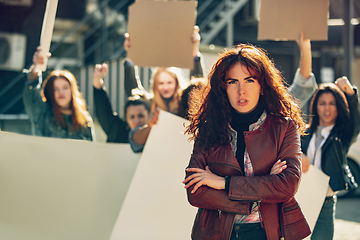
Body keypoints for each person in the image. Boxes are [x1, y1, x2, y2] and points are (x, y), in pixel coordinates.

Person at [182, 44, 311, 240]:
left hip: (263, 232)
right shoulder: (210, 128)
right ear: (224, 87)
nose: (241, 90)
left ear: (262, 86)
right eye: (233, 82)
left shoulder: (284, 127)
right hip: (216, 234)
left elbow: (287, 186)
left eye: (249, 80)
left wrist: (222, 183)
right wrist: (261, 189)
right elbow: (195, 192)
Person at [123, 26, 204, 152]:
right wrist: (130, 57)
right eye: (161, 83)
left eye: (169, 82)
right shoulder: (150, 103)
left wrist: (194, 52)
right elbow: (132, 89)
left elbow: (197, 87)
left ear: (177, 83)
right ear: (155, 85)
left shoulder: (184, 102)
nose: (165, 87)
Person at [301, 77, 360, 240]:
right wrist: (299, 155)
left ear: (339, 107)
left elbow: (356, 122)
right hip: (300, 198)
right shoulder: (304, 134)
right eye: (322, 103)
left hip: (325, 203)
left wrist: (350, 92)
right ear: (315, 106)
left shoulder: (342, 135)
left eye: (332, 103)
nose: (327, 108)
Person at [23, 47, 95, 141]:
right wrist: (36, 67)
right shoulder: (42, 114)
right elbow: (31, 90)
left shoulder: (85, 120)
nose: (61, 92)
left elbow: (92, 152)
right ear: (50, 92)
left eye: (65, 88)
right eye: (55, 89)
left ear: (72, 90)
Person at [93, 63, 152, 144]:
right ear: (126, 119)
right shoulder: (118, 133)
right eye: (132, 117)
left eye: (141, 115)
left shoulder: (156, 135)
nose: (137, 121)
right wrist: (97, 83)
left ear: (149, 115)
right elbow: (103, 112)